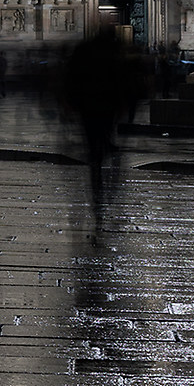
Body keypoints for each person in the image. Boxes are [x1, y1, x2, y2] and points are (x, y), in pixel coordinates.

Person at [59, 31, 143, 235]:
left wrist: (69, 105)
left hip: (88, 109)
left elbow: (70, 79)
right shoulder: (113, 57)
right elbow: (124, 82)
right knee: (105, 138)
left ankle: (96, 175)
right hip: (107, 108)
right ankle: (103, 162)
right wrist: (125, 104)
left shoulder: (84, 54)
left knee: (94, 148)